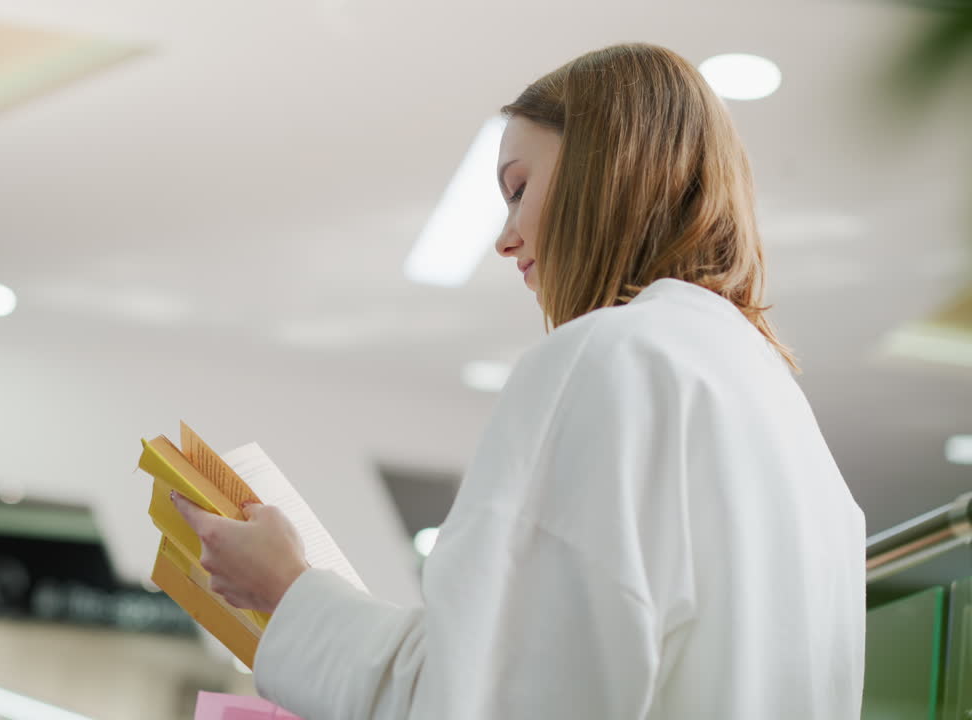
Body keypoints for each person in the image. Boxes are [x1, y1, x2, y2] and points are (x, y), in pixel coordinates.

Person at [171, 42, 866, 720]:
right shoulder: (782, 416)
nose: (505, 239)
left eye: (519, 189)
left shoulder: (608, 359)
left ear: (606, 170)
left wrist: (287, 590)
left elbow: (483, 698)